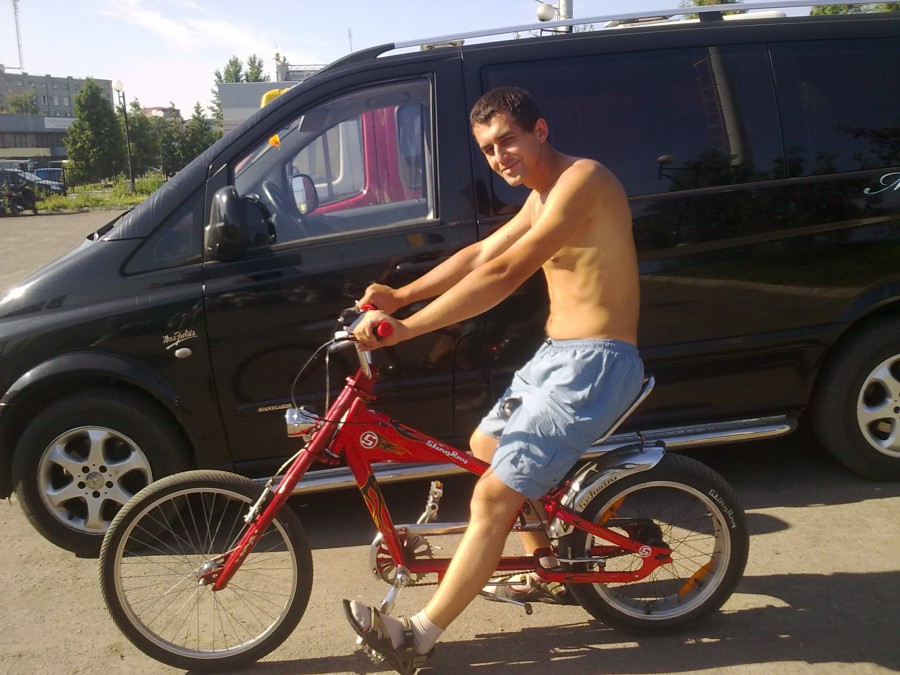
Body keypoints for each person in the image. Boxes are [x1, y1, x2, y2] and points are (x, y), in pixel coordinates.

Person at [344, 86, 644, 674]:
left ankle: (416, 636)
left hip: (597, 363)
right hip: (559, 356)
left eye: (508, 140)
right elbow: (483, 253)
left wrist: (406, 330)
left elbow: (507, 271)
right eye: (487, 149)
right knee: (484, 449)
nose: (499, 156)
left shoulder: (583, 180)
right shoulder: (541, 195)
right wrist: (401, 295)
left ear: (540, 130)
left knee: (492, 497)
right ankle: (548, 568)